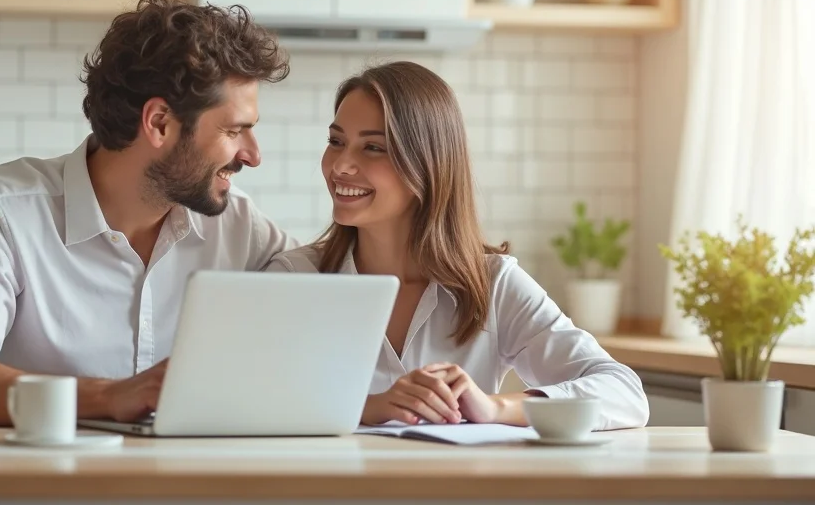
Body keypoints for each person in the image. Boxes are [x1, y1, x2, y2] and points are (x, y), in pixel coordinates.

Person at [0, 0, 297, 426]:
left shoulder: (240, 226)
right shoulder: (4, 212)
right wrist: (108, 396)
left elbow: (339, 296)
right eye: (234, 130)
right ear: (159, 123)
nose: (253, 155)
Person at [264, 61, 649, 430]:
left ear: (427, 163)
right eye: (336, 141)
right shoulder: (293, 279)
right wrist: (369, 407)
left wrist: (495, 407)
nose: (339, 166)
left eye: (373, 148)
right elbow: (243, 398)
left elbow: (623, 393)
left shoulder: (492, 285)